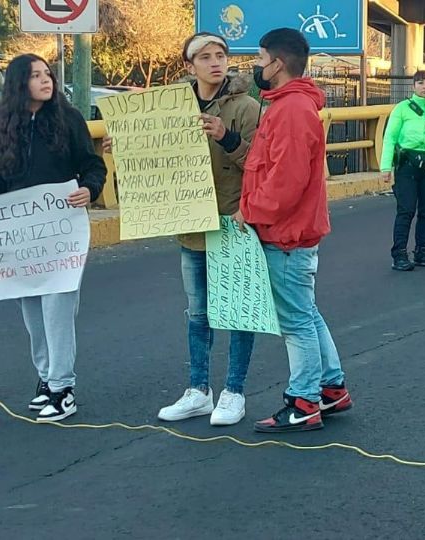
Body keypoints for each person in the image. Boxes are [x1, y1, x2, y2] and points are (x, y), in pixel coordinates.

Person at [0, 54, 107, 422]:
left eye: (48, 74)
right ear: (18, 82)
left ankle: (63, 388)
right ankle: (46, 379)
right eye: (36, 75)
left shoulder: (68, 118)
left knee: (57, 311)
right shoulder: (4, 123)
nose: (46, 80)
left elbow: (92, 164)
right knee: (32, 312)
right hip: (21, 240)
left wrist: (89, 188)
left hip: (62, 232)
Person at [140, 33, 261, 426]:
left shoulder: (247, 107)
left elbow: (260, 167)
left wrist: (227, 138)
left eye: (220, 55)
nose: (215, 62)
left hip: (233, 222)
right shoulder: (170, 108)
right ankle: (198, 390)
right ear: (190, 66)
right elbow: (154, 157)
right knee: (198, 313)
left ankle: (234, 391)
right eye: (205, 56)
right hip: (191, 223)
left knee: (239, 312)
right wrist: (127, 148)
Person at [239, 28, 351, 433]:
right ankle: (331, 387)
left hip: (286, 234)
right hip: (294, 232)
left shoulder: (290, 110)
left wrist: (249, 210)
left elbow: (286, 180)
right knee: (306, 313)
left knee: (295, 323)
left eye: (260, 57)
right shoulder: (292, 106)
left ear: (277, 63)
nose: (257, 65)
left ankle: (303, 401)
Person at [380, 70, 425, 271]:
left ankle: (421, 251)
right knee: (406, 210)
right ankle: (399, 254)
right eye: (421, 83)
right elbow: (390, 138)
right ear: (413, 86)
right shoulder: (403, 108)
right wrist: (385, 167)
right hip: (408, 165)